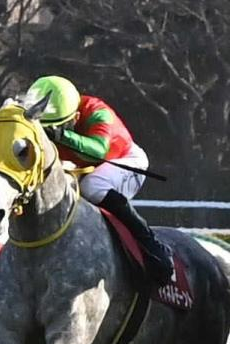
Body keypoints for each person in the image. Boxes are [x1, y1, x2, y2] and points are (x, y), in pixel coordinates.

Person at [27, 74, 175, 284]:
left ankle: (152, 247)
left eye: (57, 126)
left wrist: (62, 136)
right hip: (86, 167)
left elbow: (97, 151)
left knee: (92, 186)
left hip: (125, 160)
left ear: (75, 117)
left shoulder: (99, 112)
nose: (47, 134)